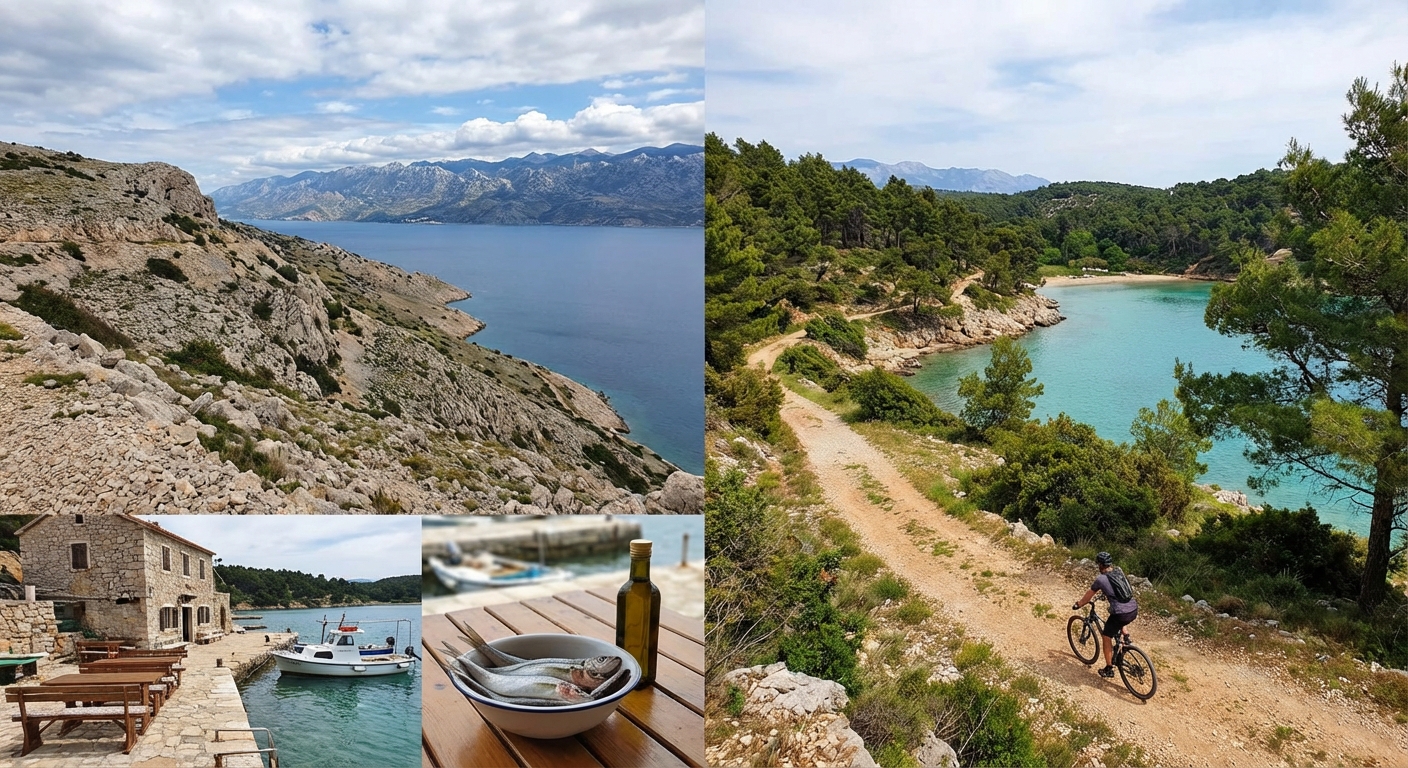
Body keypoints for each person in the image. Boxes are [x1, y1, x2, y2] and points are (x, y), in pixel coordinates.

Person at [1072, 551, 1138, 679]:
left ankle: (1109, 668)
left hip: (1121, 613)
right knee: (1116, 616)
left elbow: (1088, 596)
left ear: (1100, 565)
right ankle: (1126, 635)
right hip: (1133, 609)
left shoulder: (1101, 579)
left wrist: (1079, 604)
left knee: (1106, 635)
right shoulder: (1119, 571)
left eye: (1098, 564)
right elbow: (1119, 589)